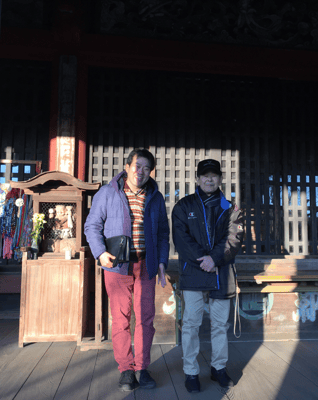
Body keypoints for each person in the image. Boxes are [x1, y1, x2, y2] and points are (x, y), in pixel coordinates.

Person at [84, 149, 170, 392]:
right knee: (120, 319)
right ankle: (126, 369)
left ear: (150, 172)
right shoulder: (108, 192)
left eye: (146, 168)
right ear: (127, 166)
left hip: (146, 264)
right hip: (117, 265)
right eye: (137, 166)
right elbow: (92, 226)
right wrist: (100, 252)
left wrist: (162, 261)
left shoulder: (155, 197)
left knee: (145, 318)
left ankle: (142, 367)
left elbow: (163, 233)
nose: (140, 171)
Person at [171, 159, 244, 393]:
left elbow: (234, 238)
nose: (209, 179)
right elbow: (181, 240)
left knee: (220, 325)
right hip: (193, 272)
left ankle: (218, 368)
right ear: (197, 178)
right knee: (191, 324)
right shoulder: (183, 206)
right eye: (205, 175)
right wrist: (204, 260)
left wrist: (214, 259)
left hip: (221, 272)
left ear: (220, 179)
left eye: (214, 175)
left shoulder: (230, 208)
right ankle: (191, 371)